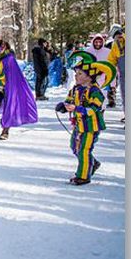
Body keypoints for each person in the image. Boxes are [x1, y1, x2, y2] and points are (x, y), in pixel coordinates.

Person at [55, 53, 112, 185]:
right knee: (74, 147)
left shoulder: (95, 91)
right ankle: (92, 163)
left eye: (80, 73)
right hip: (78, 125)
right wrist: (64, 106)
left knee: (84, 150)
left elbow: (93, 109)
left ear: (90, 76)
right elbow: (69, 100)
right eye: (76, 73)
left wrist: (76, 108)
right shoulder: (75, 89)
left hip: (91, 127)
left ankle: (83, 176)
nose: (76, 76)